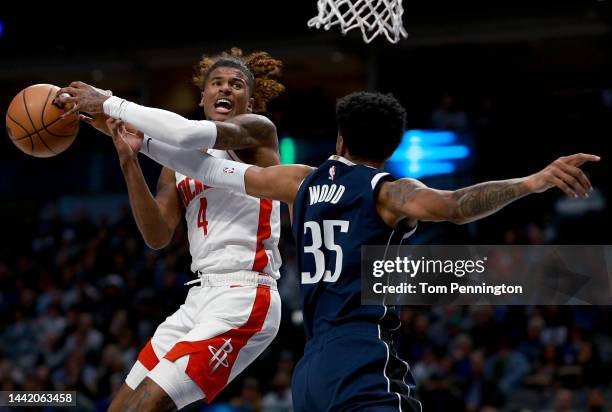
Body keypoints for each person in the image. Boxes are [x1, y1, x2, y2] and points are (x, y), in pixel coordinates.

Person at [73, 89, 597, 411]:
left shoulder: (300, 181)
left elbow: (207, 166)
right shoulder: (389, 192)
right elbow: (456, 205)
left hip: (311, 369)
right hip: (363, 358)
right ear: (390, 149)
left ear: (341, 138)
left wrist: (123, 132)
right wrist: (531, 182)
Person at [55, 48, 286, 411]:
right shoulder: (175, 165)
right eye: (217, 83)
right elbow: (157, 236)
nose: (225, 89)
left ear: (251, 101)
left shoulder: (258, 134)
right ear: (203, 96)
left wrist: (110, 102)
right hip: (198, 297)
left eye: (236, 85)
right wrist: (129, 162)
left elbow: (185, 135)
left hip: (245, 296)